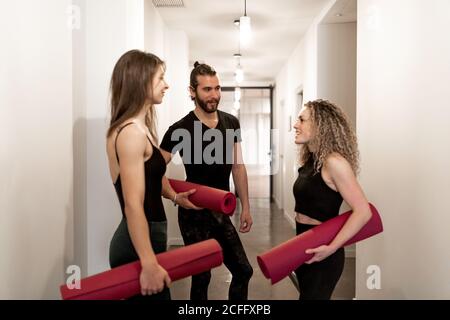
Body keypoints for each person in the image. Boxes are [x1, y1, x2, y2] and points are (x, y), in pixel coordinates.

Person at [106, 50, 198, 300]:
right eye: (160, 78)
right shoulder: (130, 134)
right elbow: (133, 205)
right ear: (140, 81)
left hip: (149, 240)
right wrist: (148, 264)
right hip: (136, 248)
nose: (166, 85)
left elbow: (153, 175)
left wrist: (175, 197)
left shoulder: (141, 128)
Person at [159, 62, 254, 300]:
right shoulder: (180, 129)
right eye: (207, 89)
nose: (214, 95)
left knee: (243, 270)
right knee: (202, 277)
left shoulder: (231, 122)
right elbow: (153, 171)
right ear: (192, 91)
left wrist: (246, 207)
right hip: (193, 213)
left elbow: (238, 166)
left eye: (217, 88)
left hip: (221, 211)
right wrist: (173, 195)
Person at [292, 99, 372, 300]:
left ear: (320, 125)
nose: (295, 124)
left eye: (302, 120)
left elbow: (363, 211)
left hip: (325, 250)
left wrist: (332, 248)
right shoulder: (313, 159)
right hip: (304, 244)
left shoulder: (335, 163)